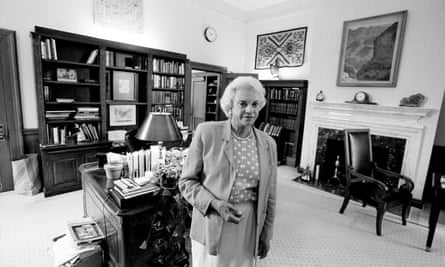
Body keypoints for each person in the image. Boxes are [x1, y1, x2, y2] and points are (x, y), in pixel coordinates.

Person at [179, 76, 277, 266]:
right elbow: (187, 182)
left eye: (255, 104)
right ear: (230, 106)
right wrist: (215, 204)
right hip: (211, 219)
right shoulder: (206, 132)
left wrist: (267, 233)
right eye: (243, 103)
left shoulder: (268, 144)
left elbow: (271, 194)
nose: (250, 110)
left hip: (248, 223)